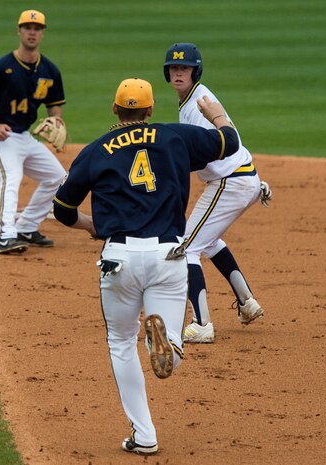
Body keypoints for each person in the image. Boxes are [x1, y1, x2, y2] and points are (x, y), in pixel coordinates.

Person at [53, 78, 242, 455]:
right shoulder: (175, 138)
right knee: (172, 339)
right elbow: (230, 142)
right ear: (151, 111)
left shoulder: (95, 150)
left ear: (115, 109)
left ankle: (145, 436)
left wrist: (93, 227)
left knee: (120, 343)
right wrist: (215, 114)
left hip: (119, 258)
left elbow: (62, 210)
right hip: (168, 257)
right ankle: (169, 348)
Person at [163, 42, 271, 343]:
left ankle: (201, 325)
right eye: (174, 68)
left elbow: (212, 149)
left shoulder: (198, 102)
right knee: (207, 241)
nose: (178, 73)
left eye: (184, 68)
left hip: (231, 181)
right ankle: (247, 302)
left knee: (187, 247)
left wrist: (173, 164)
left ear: (194, 70)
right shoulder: (193, 99)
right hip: (242, 178)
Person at [0, 9, 67, 254]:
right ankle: (5, 236)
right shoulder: (0, 67)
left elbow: (54, 105)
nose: (32, 32)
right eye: (27, 27)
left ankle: (26, 227)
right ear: (19, 31)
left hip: (24, 136)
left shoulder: (49, 70)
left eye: (37, 28)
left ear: (42, 33)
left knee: (58, 178)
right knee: (10, 177)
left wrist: (57, 121)